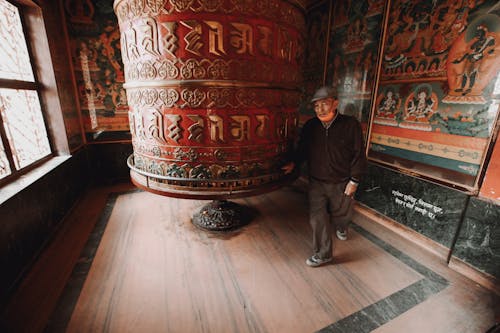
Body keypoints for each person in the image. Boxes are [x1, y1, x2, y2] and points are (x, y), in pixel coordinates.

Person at [282, 86, 367, 267]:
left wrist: (354, 180)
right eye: (316, 106)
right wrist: (294, 163)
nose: (320, 109)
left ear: (335, 103)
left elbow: (359, 154)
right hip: (317, 182)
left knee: (341, 213)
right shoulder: (311, 126)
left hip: (342, 181)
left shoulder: (350, 125)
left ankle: (342, 225)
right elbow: (303, 149)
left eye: (325, 104)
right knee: (317, 218)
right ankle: (323, 253)